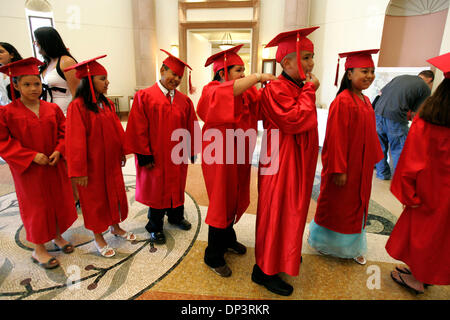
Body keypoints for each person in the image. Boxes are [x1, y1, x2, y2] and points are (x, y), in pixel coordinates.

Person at [196, 45, 276, 277]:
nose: (243, 74)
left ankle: (228, 239)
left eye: (244, 70)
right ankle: (213, 255)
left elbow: (263, 105)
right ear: (223, 73)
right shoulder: (211, 90)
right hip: (219, 156)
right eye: (238, 70)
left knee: (235, 196)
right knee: (221, 202)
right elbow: (226, 94)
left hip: (239, 154)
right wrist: (258, 76)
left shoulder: (247, 92)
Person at [252, 27, 320, 296]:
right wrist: (311, 89)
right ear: (286, 62)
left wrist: (307, 88)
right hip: (280, 160)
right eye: (305, 57)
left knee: (292, 209)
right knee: (276, 211)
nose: (311, 63)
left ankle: (284, 255)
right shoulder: (276, 88)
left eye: (312, 56)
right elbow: (295, 120)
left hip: (297, 160)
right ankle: (264, 270)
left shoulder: (298, 86)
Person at [0, 57, 77, 269]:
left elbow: (64, 131)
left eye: (36, 83)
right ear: (15, 85)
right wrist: (30, 156)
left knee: (57, 201)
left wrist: (59, 150)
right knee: (36, 207)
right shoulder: (7, 113)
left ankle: (57, 236)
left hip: (53, 165)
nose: (33, 88)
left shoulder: (51, 109)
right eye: (27, 84)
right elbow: (3, 142)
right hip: (29, 171)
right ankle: (39, 249)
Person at [308, 49, 383, 265]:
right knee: (338, 207)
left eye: (371, 71)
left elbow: (370, 134)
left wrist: (372, 161)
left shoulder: (366, 100)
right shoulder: (343, 101)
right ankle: (324, 243)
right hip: (345, 168)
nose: (369, 75)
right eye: (364, 71)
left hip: (362, 168)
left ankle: (352, 246)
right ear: (349, 74)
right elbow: (335, 138)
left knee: (358, 206)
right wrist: (338, 169)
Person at [386, 52, 450, 294]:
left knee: (424, 235)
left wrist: (408, 193)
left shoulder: (429, 121)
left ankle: (418, 280)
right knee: (440, 237)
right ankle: (423, 273)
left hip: (429, 190)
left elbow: (411, 160)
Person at [125, 49, 200, 245]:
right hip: (155, 155)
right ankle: (155, 226)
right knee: (157, 191)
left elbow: (191, 125)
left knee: (177, 186)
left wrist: (192, 149)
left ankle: (176, 217)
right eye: (173, 74)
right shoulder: (145, 96)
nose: (176, 79)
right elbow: (137, 127)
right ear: (162, 70)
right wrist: (143, 154)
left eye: (179, 76)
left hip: (177, 155)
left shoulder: (184, 101)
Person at [65, 55, 135, 258]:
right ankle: (98, 236)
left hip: (110, 163)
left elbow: (116, 131)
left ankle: (115, 226)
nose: (107, 82)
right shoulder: (77, 106)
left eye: (106, 78)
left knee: (114, 194)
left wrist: (121, 151)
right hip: (91, 166)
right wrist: (78, 170)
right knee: (95, 201)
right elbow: (74, 141)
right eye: (102, 78)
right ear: (89, 80)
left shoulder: (106, 104)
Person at [374, 70, 433, 180]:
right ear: (430, 80)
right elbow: (417, 112)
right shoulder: (425, 87)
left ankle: (382, 174)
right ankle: (399, 179)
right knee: (399, 149)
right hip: (395, 117)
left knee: (380, 146)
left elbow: (381, 92)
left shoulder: (401, 77)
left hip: (378, 113)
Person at [34, 27, 79, 116]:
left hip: (65, 115)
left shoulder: (66, 61)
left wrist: (71, 116)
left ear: (46, 41)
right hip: (48, 116)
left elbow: (77, 94)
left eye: (36, 41)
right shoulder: (45, 64)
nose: (35, 44)